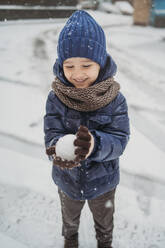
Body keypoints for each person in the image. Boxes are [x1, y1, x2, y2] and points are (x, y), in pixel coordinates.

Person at [44, 10, 130, 248]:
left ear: (100, 62)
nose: (78, 74)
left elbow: (120, 139)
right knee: (69, 219)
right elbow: (51, 131)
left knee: (104, 222)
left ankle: (105, 242)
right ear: (61, 65)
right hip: (67, 179)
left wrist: (95, 144)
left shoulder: (115, 100)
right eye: (69, 66)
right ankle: (70, 240)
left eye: (86, 65)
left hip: (104, 182)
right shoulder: (56, 98)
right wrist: (57, 148)